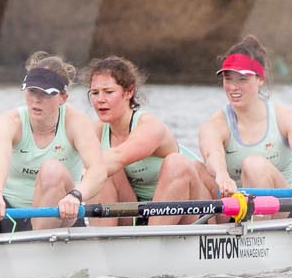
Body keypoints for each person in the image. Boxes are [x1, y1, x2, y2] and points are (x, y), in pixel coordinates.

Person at [71, 56, 217, 226]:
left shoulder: (150, 126)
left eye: (108, 92)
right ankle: (102, 243)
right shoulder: (96, 130)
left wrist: (76, 193)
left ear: (128, 92)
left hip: (185, 213)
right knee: (103, 170)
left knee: (176, 163)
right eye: (95, 93)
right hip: (137, 212)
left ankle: (152, 243)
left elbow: (119, 156)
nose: (100, 100)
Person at [0, 52, 107, 232]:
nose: (36, 100)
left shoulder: (77, 123)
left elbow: (98, 170)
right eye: (32, 91)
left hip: (58, 214)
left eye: (46, 93)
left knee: (51, 170)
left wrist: (76, 195)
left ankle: (38, 246)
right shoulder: (8, 122)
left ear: (63, 98)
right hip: (5, 213)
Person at [196, 35, 292, 198]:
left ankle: (254, 222)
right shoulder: (215, 124)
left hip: (282, 206)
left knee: (253, 165)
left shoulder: (286, 118)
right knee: (188, 167)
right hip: (234, 206)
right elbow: (212, 155)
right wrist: (221, 175)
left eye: (242, 79)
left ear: (260, 79)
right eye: (228, 79)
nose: (233, 87)